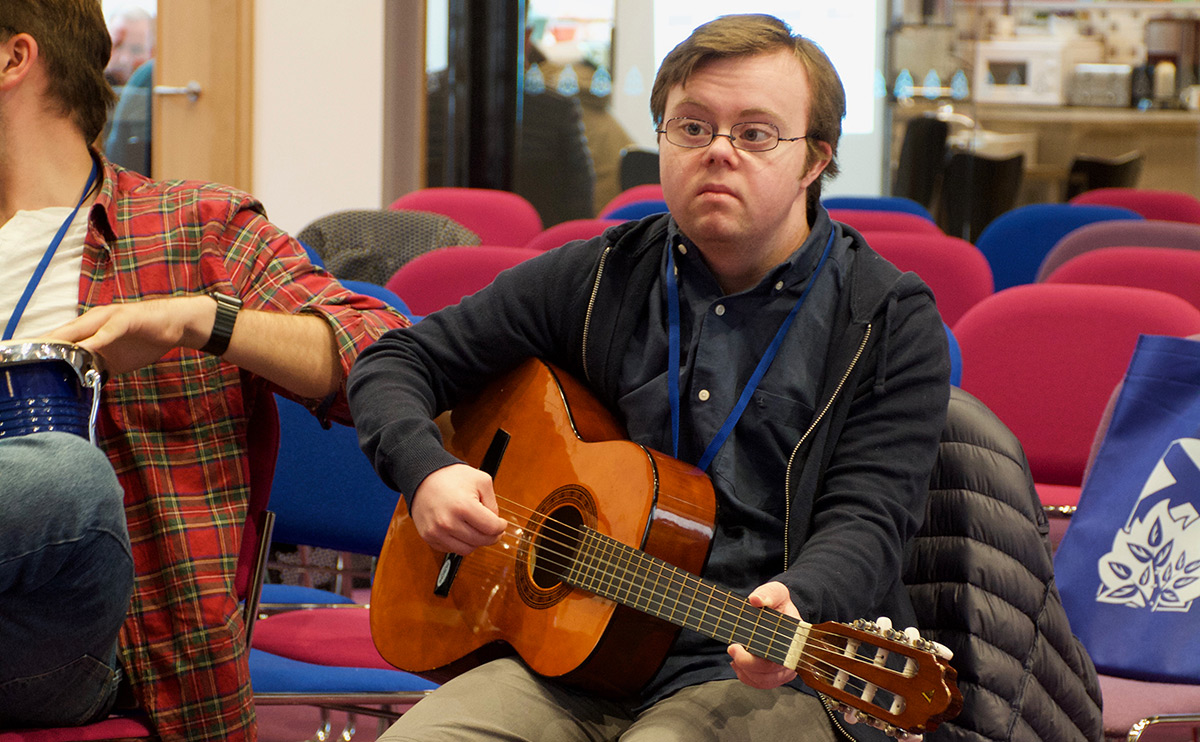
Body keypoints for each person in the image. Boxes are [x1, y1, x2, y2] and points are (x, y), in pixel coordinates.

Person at [348, 12, 950, 742]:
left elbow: (870, 518)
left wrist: (802, 600)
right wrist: (426, 471)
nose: (718, 152)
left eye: (755, 133)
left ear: (816, 159)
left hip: (747, 667)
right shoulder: (601, 273)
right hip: (565, 649)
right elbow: (396, 358)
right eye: (691, 127)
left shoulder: (884, 317)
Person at [0, 1, 408, 740]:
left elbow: (385, 356)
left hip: (84, 639)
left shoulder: (194, 229)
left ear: (13, 59)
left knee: (65, 479)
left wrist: (195, 320)